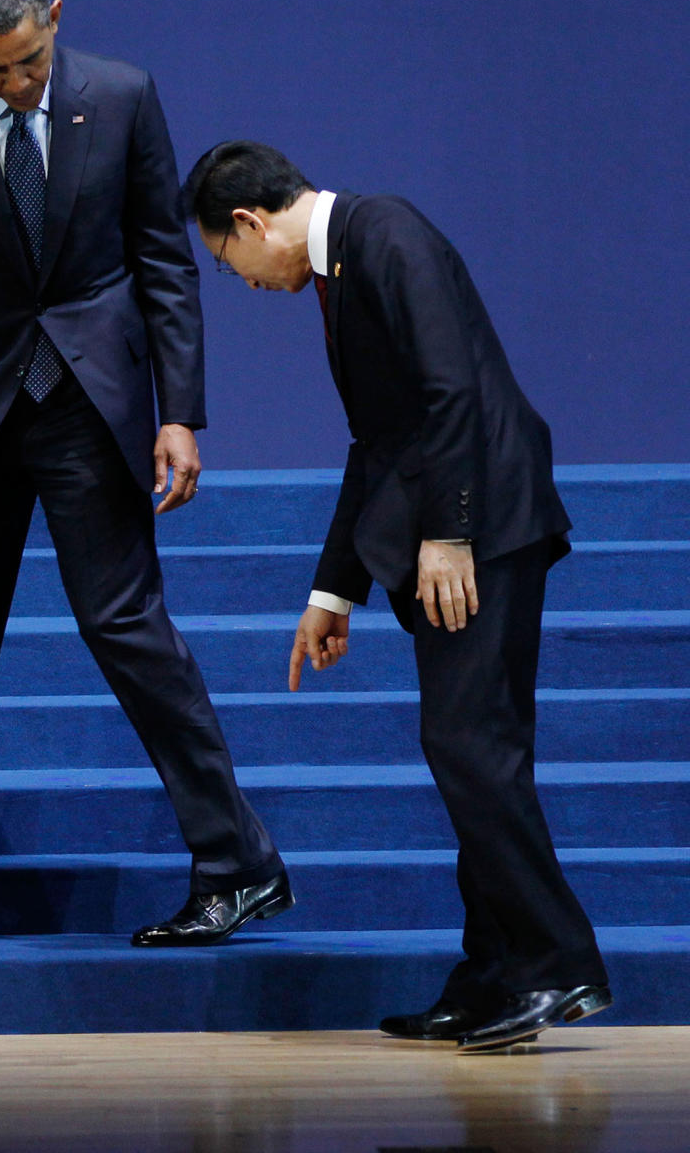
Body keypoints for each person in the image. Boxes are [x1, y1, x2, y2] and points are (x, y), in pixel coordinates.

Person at [0, 0, 292, 953]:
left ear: (54, 20)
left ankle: (238, 866)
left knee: (130, 630)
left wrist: (181, 414)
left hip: (94, 409)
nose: (19, 85)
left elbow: (162, 261)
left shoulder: (122, 97)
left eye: (32, 61)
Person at [182, 140, 612, 1051]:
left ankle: (555, 964)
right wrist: (333, 592)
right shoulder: (349, 265)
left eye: (231, 263)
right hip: (464, 526)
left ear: (254, 224)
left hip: (485, 527)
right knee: (473, 748)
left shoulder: (388, 234)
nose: (247, 283)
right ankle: (494, 974)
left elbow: (452, 393)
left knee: (469, 744)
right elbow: (375, 442)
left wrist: (451, 532)